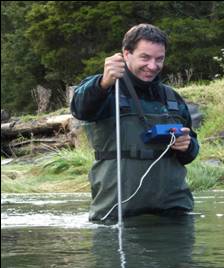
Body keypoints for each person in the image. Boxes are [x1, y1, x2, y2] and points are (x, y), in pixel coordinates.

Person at [71, 23, 199, 221]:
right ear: (126, 54)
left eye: (159, 59)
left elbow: (191, 149)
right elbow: (80, 108)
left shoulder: (172, 97)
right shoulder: (104, 88)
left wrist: (188, 146)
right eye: (145, 57)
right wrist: (103, 83)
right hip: (116, 214)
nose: (153, 66)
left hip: (174, 214)